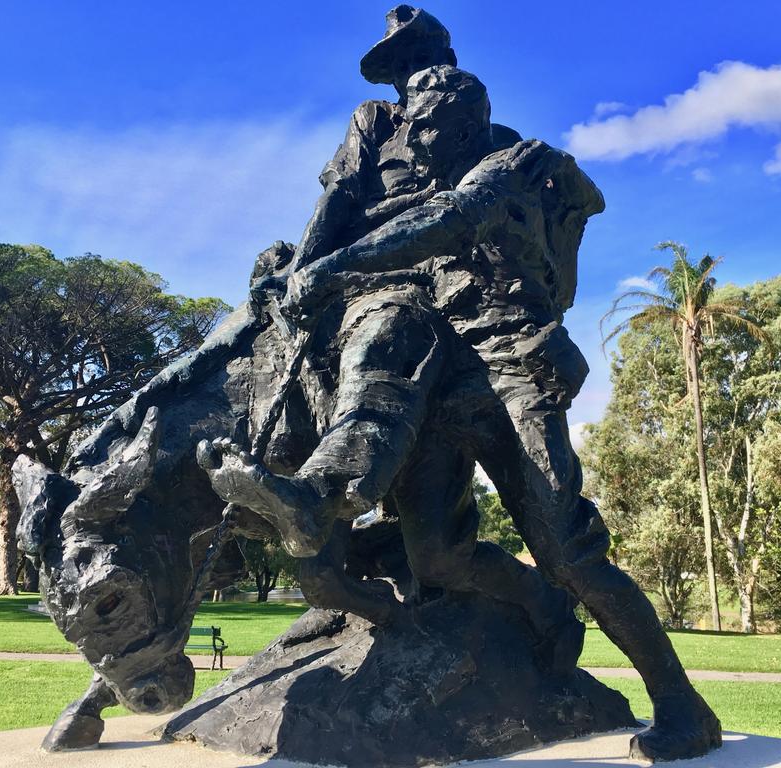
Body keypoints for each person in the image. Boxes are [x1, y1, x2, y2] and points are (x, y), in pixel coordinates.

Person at [205, 64, 722, 762]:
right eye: (409, 127)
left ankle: (682, 705)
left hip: (516, 374)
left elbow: (441, 222)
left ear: (467, 125)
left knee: (569, 549)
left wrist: (327, 271)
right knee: (440, 559)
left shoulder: (509, 165)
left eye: (427, 129)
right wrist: (298, 269)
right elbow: (375, 225)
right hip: (447, 382)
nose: (412, 141)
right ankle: (539, 604)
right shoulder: (422, 174)